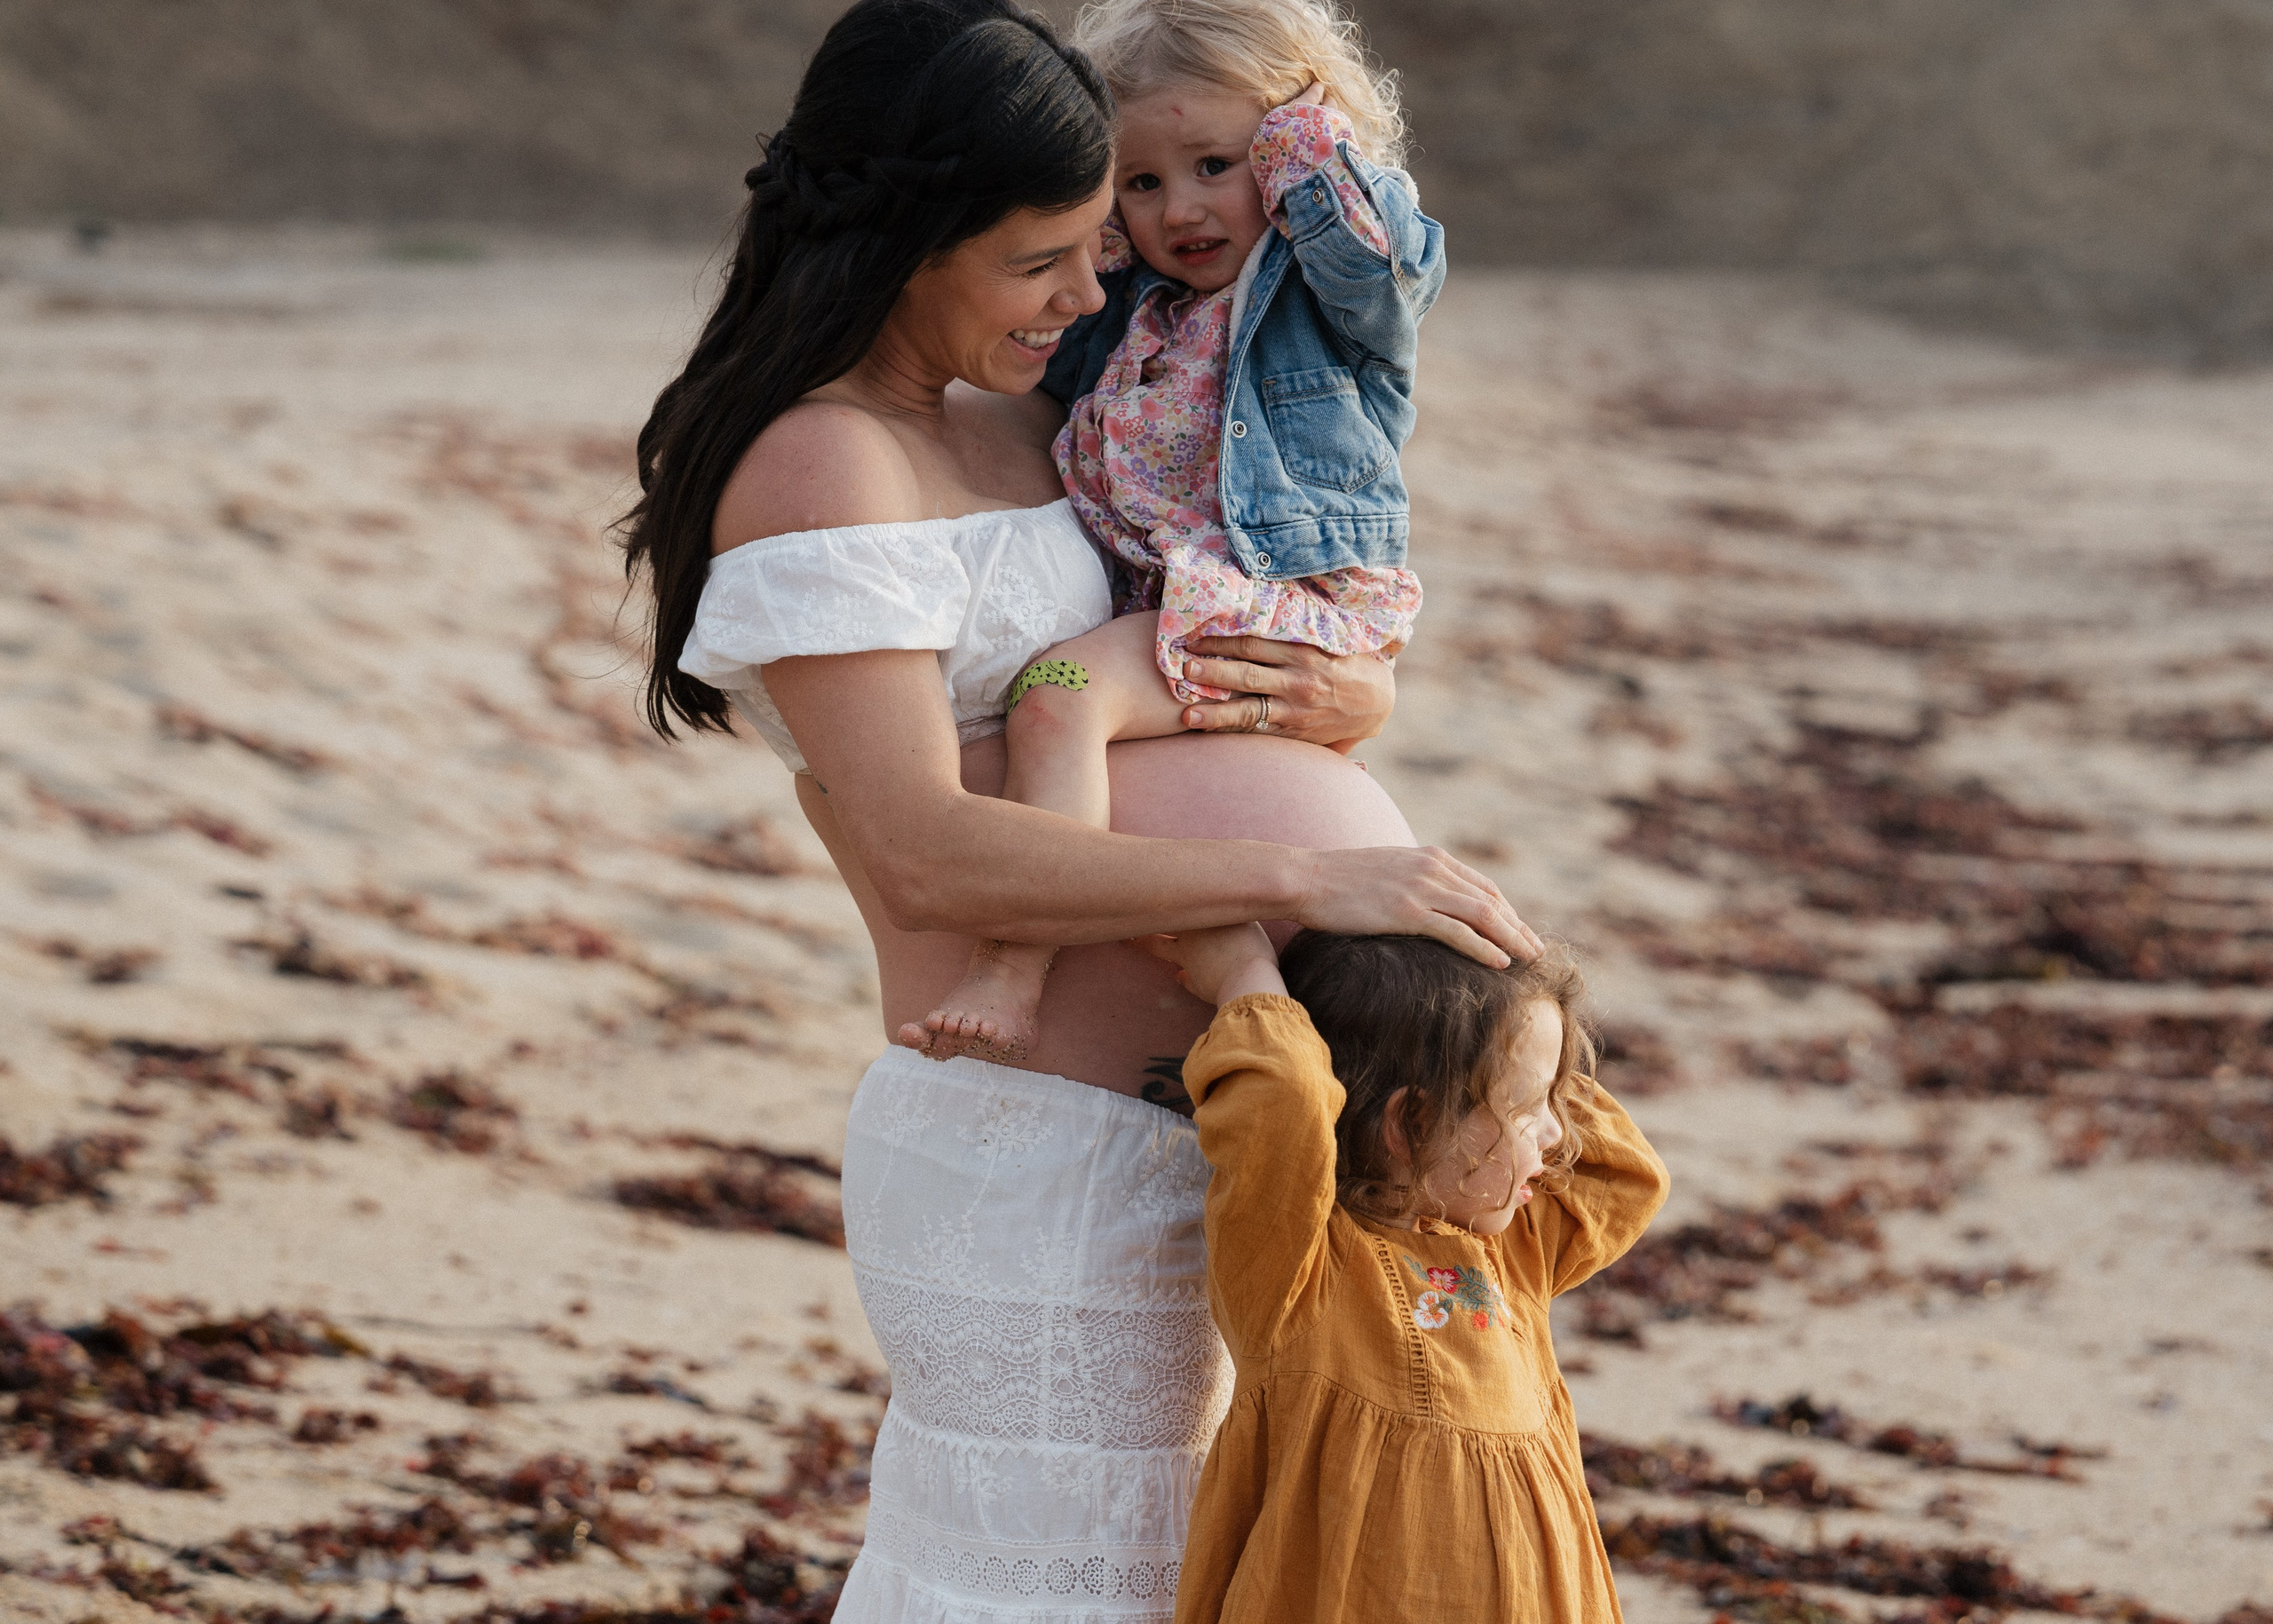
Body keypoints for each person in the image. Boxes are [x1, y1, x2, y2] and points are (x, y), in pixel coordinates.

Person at [619, 3, 1538, 1619]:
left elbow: (1186, 625)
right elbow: (917, 845)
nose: (1092, 287)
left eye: (1096, 241)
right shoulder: (826, 463)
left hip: (1201, 1115)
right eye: (1044, 254)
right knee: (1035, 1585)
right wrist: (1315, 875)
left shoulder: (1019, 420)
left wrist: (1345, 702)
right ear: (911, 240)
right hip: (1036, 1141)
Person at [907, 0, 1441, 1066]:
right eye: (1142, 182)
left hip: (1272, 604)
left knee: (1059, 701)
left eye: (1214, 163)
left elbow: (1376, 257)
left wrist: (1300, 129)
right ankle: (1231, 956)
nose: (1181, 208)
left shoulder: (1326, 304)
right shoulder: (1134, 307)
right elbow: (1035, 333)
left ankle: (1013, 960)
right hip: (1178, 609)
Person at [1141, 924, 1670, 1622]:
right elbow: (1286, 1099)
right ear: (1412, 1122)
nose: (1556, 1132)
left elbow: (1629, 1176)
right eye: (1528, 1107)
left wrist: (1501, 965)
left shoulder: (1512, 1252)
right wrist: (1246, 973)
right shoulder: (1298, 1267)